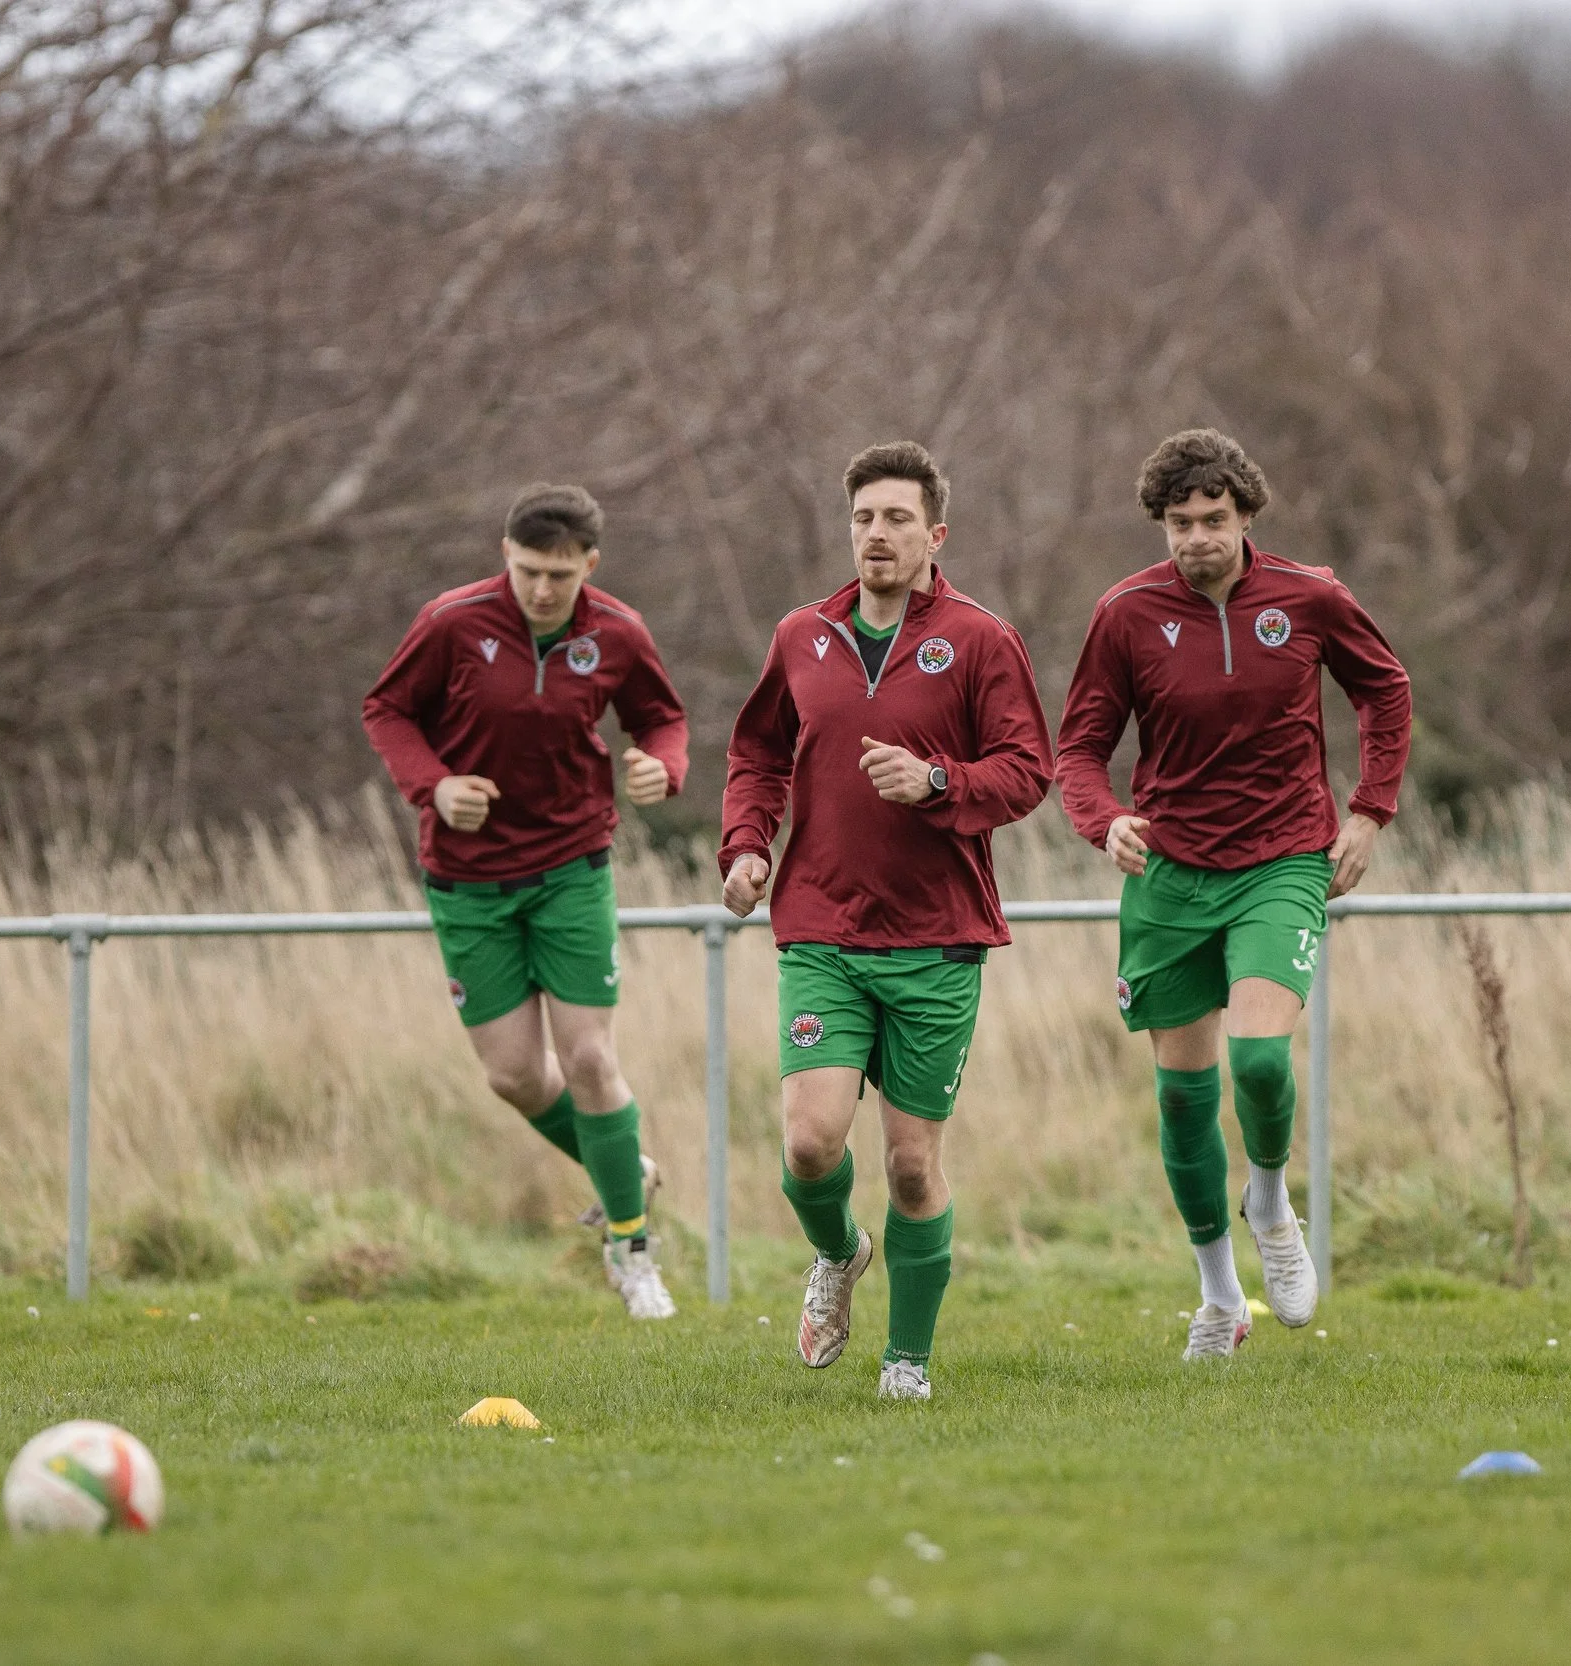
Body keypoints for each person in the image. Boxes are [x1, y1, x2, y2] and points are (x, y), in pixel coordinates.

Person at [1056, 429, 1411, 1359]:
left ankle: (1269, 1198)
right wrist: (1106, 820)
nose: (1196, 539)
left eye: (1213, 520)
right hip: (1170, 873)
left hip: (1284, 861)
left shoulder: (1310, 597)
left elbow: (1386, 691)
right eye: (1179, 524)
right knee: (1181, 1098)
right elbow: (1079, 751)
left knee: (1258, 1065)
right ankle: (1219, 1299)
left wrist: (1370, 810)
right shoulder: (1125, 614)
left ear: (1247, 514)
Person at [720, 442, 1054, 1400]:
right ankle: (838, 1252)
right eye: (865, 517)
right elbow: (757, 756)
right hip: (822, 926)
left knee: (913, 1167)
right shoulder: (801, 636)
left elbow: (1027, 770)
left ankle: (906, 1363)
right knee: (810, 1145)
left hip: (938, 938)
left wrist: (938, 779)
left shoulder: (982, 640)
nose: (878, 533)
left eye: (898, 518)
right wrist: (747, 844)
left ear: (934, 533)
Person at [363, 482, 688, 1320]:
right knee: (512, 1073)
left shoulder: (617, 632)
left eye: (558, 574)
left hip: (573, 867)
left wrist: (662, 765)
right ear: (504, 556)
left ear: (589, 565)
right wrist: (432, 786)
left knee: (587, 1058)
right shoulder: (451, 623)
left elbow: (661, 722)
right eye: (526, 571)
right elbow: (388, 710)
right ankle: (629, 1170)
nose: (541, 590)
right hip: (468, 880)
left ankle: (631, 1244)